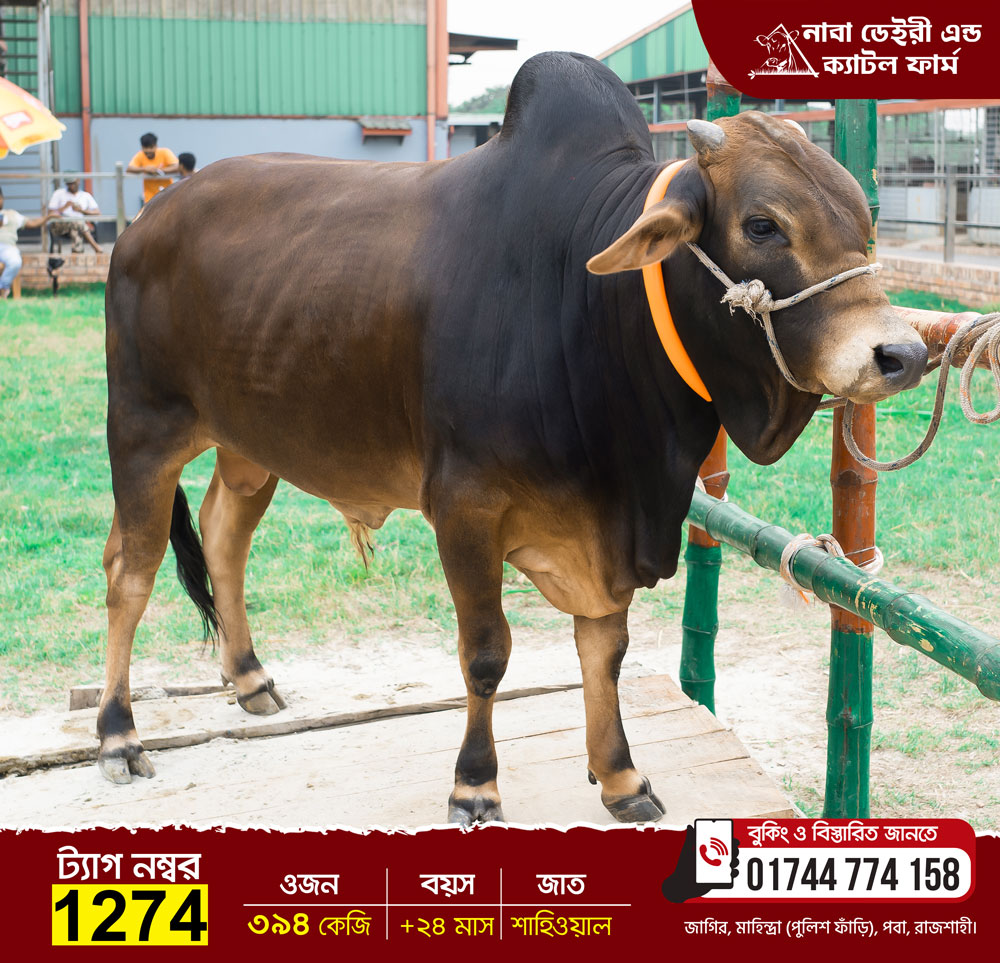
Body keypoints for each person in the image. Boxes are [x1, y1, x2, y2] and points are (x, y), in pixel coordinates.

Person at [0, 187, 52, 298]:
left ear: (2, 199)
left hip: (7, 247)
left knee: (15, 262)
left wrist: (48, 217)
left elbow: (32, 223)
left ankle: (3, 288)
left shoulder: (12, 214)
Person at [47, 175, 102, 254]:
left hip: (78, 225)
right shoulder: (59, 193)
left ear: (78, 181)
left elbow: (97, 213)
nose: (71, 185)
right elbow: (50, 213)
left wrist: (81, 211)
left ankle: (77, 254)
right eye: (69, 183)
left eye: (73, 183)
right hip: (60, 224)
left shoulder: (85, 195)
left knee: (76, 228)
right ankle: (96, 247)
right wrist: (64, 207)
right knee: (77, 223)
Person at [126, 132, 180, 205]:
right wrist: (145, 169)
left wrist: (158, 170)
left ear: (156, 146)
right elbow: (129, 169)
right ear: (142, 147)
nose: (148, 150)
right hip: (149, 198)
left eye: (151, 147)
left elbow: (177, 167)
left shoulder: (165, 152)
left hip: (167, 195)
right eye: (145, 148)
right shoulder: (140, 155)